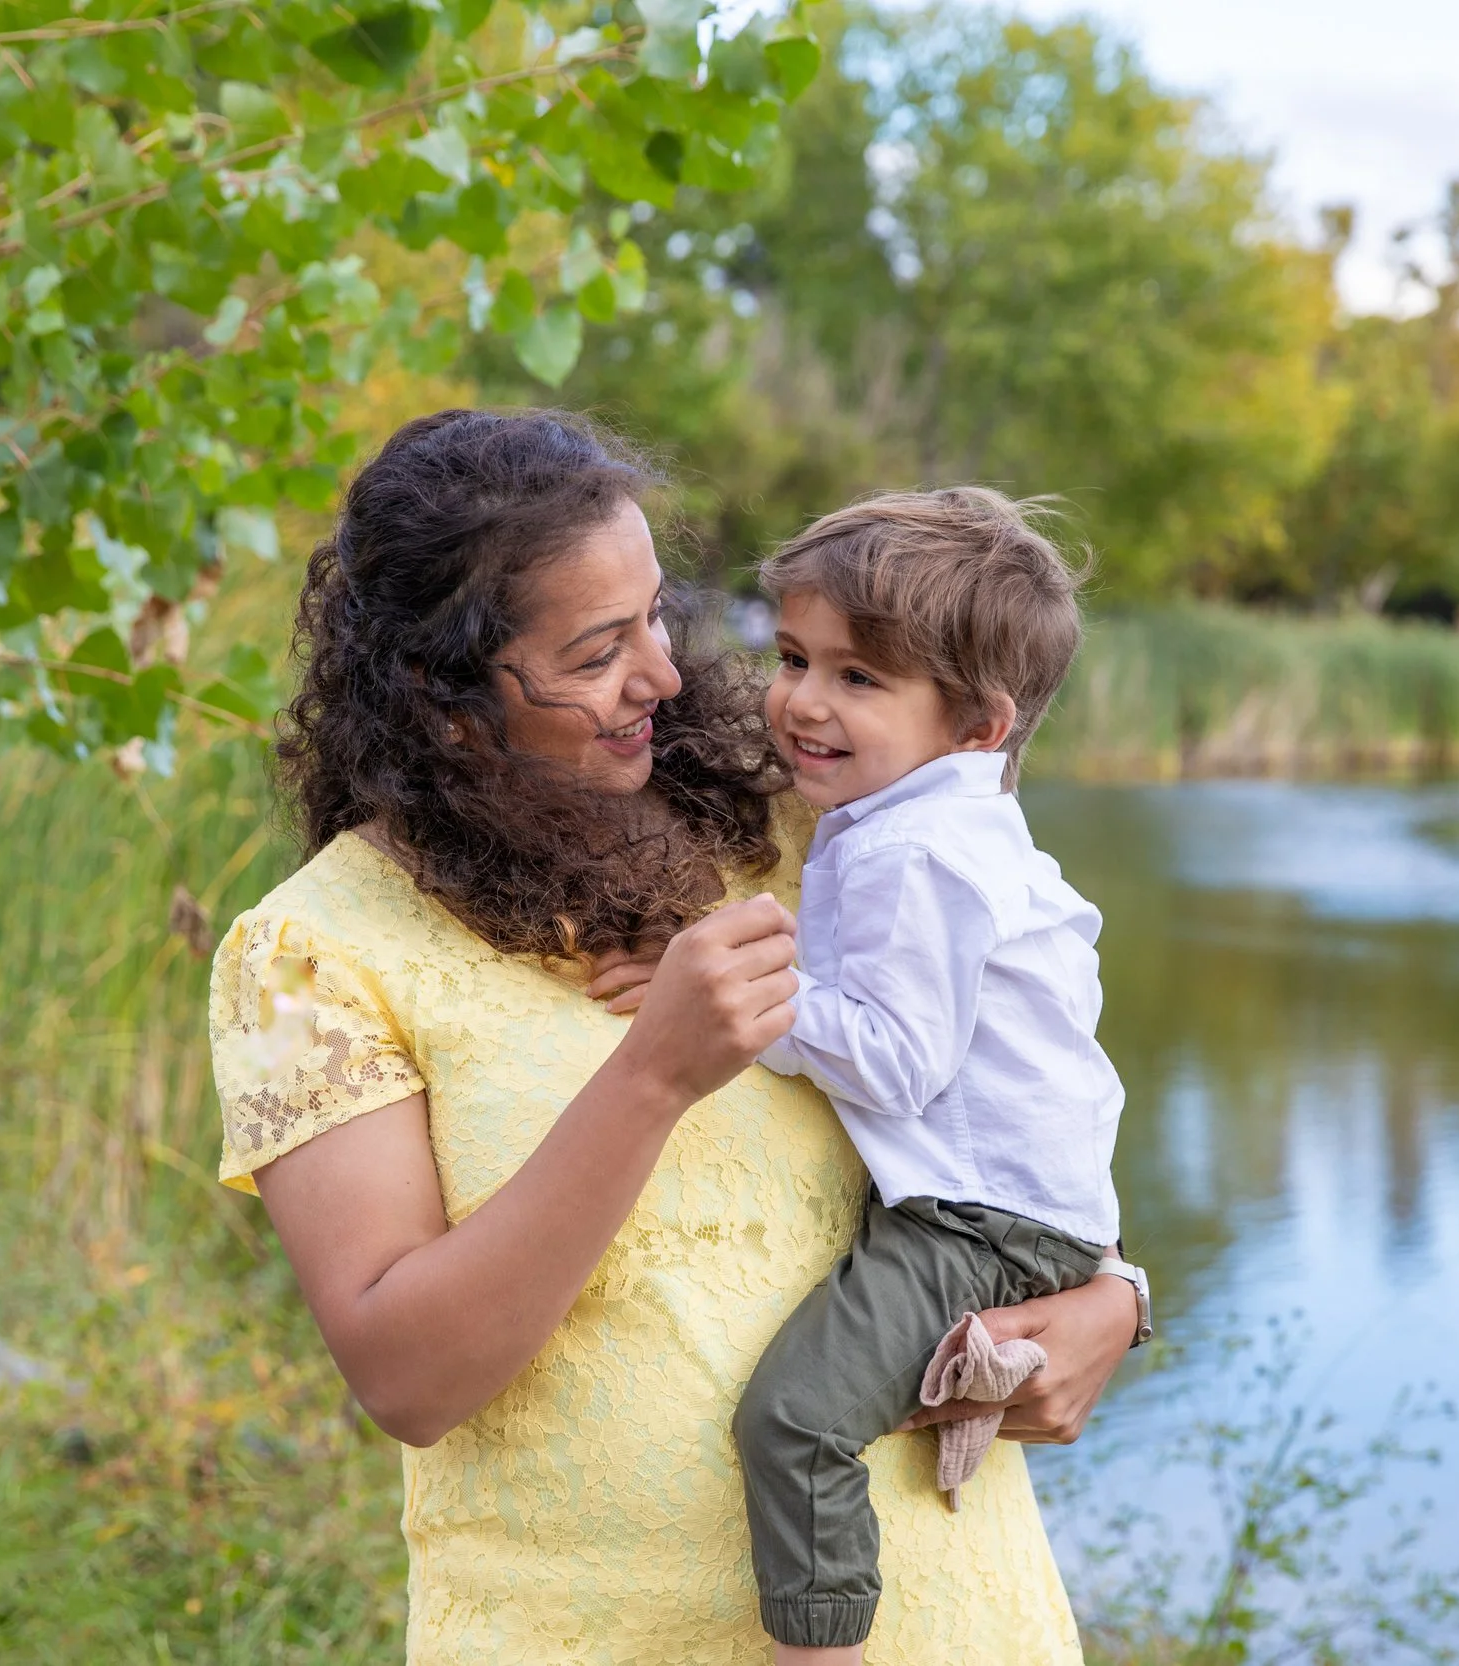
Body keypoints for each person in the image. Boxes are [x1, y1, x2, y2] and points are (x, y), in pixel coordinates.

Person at [205, 410, 1145, 1663]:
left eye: (657, 614)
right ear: (437, 696)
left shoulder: (815, 831)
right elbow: (407, 1377)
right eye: (598, 650)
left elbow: (1018, 1096)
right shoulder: (313, 954)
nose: (660, 672)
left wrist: (1114, 1297)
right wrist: (653, 1072)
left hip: (955, 1617)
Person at [736, 489, 1136, 1663]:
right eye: (795, 656)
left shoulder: (920, 851)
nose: (803, 700)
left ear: (976, 724)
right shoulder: (919, 819)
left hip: (983, 1222)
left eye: (859, 679)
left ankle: (823, 1648)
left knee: (797, 1421)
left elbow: (899, 1063)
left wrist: (745, 1001)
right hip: (1016, 1200)